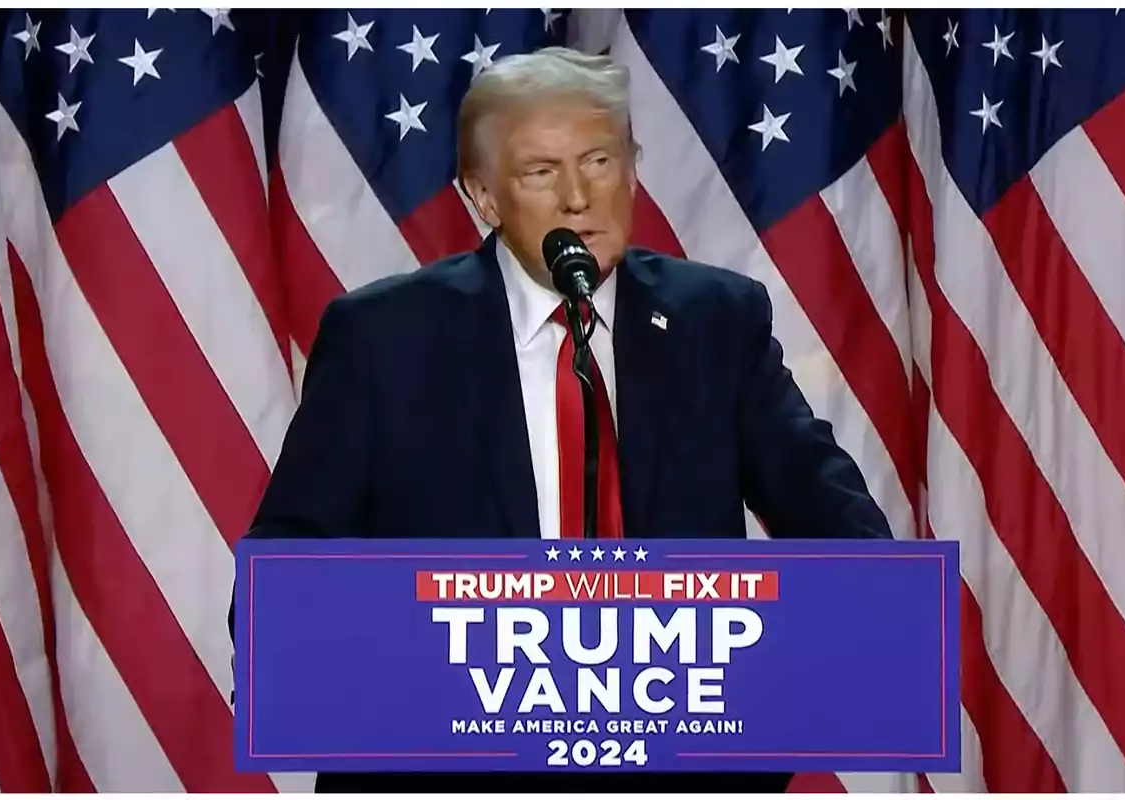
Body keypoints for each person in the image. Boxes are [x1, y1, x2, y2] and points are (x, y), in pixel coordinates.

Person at [237, 46, 893, 793]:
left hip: (680, 771)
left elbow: (835, 523)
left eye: (601, 161)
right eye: (541, 173)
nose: (579, 197)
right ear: (484, 197)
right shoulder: (385, 338)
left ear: (633, 167)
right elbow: (292, 557)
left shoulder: (716, 321)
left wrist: (834, 657)